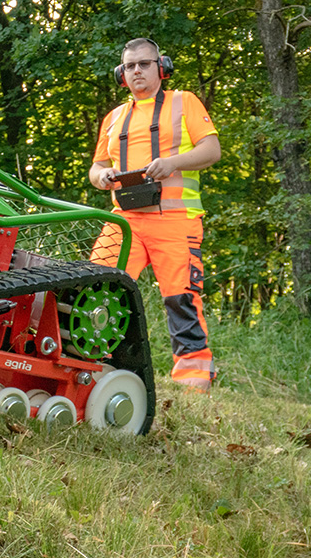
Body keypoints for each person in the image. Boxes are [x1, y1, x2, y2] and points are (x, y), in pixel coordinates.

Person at [89, 38, 221, 392]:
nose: (136, 71)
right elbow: (97, 166)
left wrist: (172, 163)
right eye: (129, 66)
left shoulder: (184, 102)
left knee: (181, 298)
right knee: (95, 290)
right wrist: (101, 177)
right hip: (124, 221)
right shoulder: (114, 117)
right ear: (121, 74)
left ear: (161, 67)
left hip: (175, 221)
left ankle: (193, 379)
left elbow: (212, 150)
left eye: (144, 64)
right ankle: (95, 369)